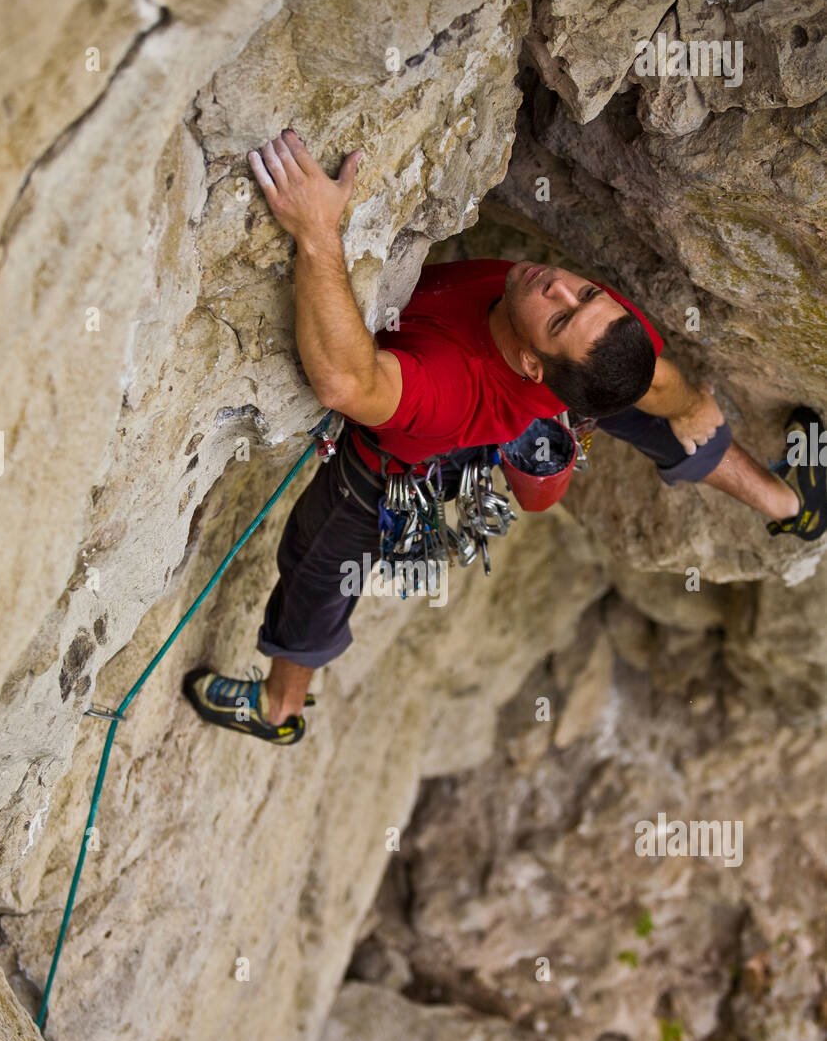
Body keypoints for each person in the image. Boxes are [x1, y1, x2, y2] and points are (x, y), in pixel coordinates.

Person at [184, 130, 825, 745]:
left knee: (318, 568)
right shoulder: (607, 346)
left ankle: (279, 708)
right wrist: (688, 407)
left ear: (532, 365)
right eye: (586, 294)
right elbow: (653, 382)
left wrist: (316, 231)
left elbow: (347, 384)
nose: (557, 284)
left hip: (392, 468)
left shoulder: (451, 386)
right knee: (651, 414)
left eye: (562, 315)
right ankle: (789, 505)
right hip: (539, 403)